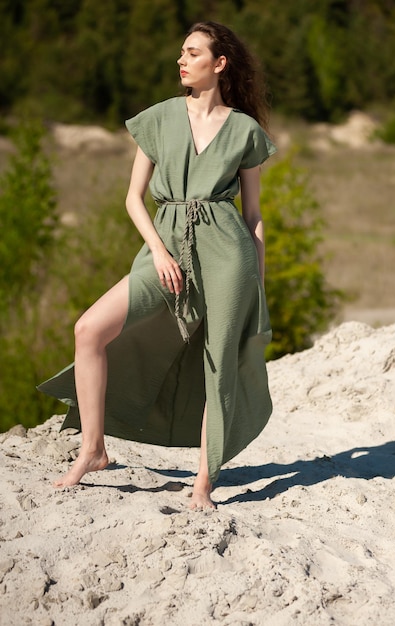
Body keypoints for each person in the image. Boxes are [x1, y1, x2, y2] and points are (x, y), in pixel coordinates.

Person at [38, 21, 277, 509]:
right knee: (89, 329)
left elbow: (252, 216)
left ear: (220, 63)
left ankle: (204, 482)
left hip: (229, 256)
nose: (181, 61)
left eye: (192, 53)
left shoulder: (245, 131)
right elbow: (132, 198)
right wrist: (161, 252)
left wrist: (259, 279)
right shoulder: (160, 118)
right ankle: (94, 450)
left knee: (219, 364)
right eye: (181, 54)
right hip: (164, 244)